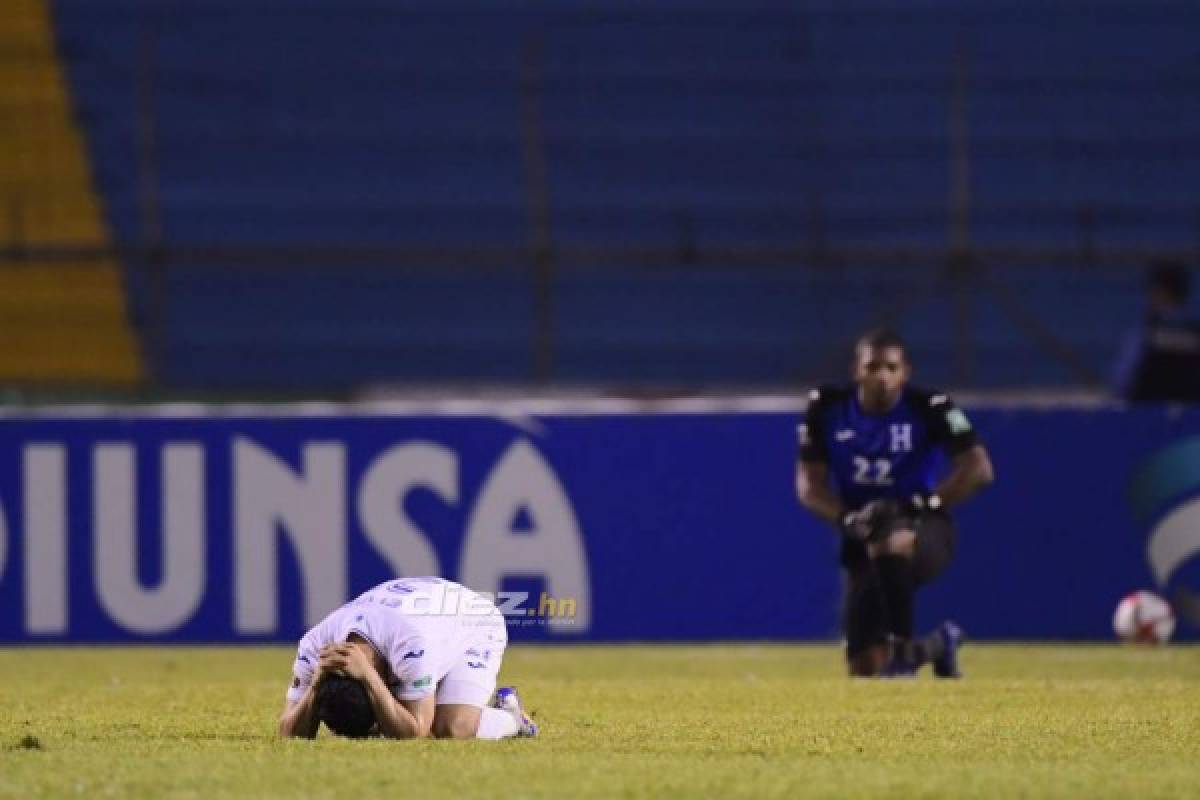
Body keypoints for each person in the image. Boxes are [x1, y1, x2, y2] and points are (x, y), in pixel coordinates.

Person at [795, 329, 994, 677]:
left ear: (905, 373)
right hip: (862, 530)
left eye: (891, 367)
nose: (882, 376)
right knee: (864, 666)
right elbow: (810, 486)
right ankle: (937, 645)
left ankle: (903, 655)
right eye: (873, 367)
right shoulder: (828, 408)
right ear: (857, 371)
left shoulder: (929, 407)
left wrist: (924, 504)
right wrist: (846, 520)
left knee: (891, 524)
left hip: (925, 529)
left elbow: (979, 469)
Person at [278, 576, 538, 739]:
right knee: (399, 716)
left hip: (472, 619)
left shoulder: (411, 644)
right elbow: (289, 733)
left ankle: (511, 717)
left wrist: (369, 678)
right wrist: (316, 683)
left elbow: (416, 731)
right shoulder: (314, 647)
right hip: (410, 609)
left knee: (451, 728)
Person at [1112, 260, 1200, 403]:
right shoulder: (1196, 333)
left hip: (1148, 417)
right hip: (1191, 418)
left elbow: (1122, 381)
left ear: (1160, 292)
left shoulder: (1144, 333)